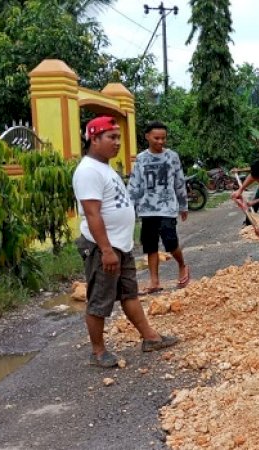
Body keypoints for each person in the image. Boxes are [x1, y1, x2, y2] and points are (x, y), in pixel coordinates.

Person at [73, 116, 178, 368]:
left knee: (129, 293)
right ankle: (98, 352)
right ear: (94, 139)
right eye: (111, 137)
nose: (117, 143)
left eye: (118, 137)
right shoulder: (88, 171)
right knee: (100, 299)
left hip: (120, 246)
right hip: (103, 248)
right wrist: (107, 250)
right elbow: (92, 213)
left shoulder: (105, 168)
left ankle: (150, 338)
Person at [127, 121, 189, 293]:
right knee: (150, 245)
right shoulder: (141, 159)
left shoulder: (172, 157)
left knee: (170, 242)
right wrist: (129, 208)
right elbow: (134, 185)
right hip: (147, 208)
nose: (160, 142)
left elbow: (179, 182)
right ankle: (154, 281)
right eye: (156, 138)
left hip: (167, 207)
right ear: (147, 137)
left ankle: (182, 265)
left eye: (163, 138)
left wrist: (183, 205)